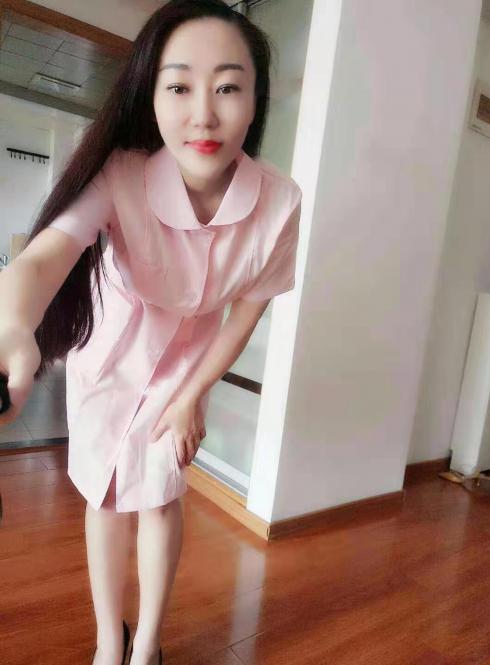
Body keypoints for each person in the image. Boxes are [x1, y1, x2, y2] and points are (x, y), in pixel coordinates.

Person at [0, 1, 302, 663]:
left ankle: (148, 647)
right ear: (151, 94)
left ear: (256, 100)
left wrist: (192, 395)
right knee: (105, 496)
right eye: (179, 87)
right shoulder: (122, 173)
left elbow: (247, 310)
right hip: (110, 360)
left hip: (188, 365)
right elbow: (47, 253)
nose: (204, 114)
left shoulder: (280, 202)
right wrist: (13, 322)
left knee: (162, 497)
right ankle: (110, 641)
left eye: (228, 87)